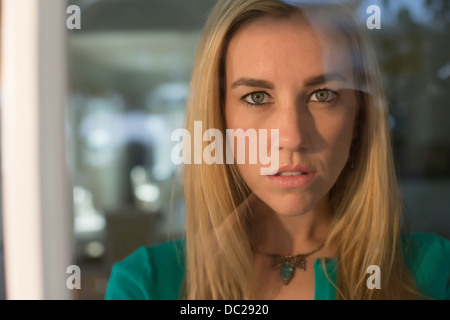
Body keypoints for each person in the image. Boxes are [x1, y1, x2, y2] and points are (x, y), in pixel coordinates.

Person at [105, 0, 450, 300]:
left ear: (358, 118)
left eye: (323, 95)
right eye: (256, 97)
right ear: (219, 119)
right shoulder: (146, 284)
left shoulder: (436, 271)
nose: (293, 137)